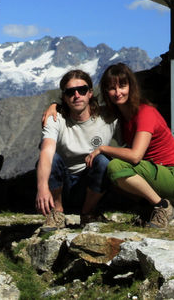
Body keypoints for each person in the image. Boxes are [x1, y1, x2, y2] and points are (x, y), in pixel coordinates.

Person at [85, 62, 174, 229]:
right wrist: (54, 107)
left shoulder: (145, 113)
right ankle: (147, 206)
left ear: (131, 87)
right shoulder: (122, 115)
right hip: (152, 171)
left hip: (172, 174)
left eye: (122, 86)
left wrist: (102, 148)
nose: (118, 92)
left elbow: (135, 156)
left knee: (116, 167)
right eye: (112, 88)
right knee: (108, 173)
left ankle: (162, 207)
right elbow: (81, 110)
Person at [36, 69, 118, 231]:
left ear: (90, 93)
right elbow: (46, 151)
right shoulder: (55, 118)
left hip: (91, 185)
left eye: (82, 90)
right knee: (52, 158)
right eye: (70, 92)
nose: (77, 95)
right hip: (61, 185)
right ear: (64, 97)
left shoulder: (108, 117)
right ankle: (57, 213)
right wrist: (42, 187)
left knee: (103, 160)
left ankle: (87, 214)